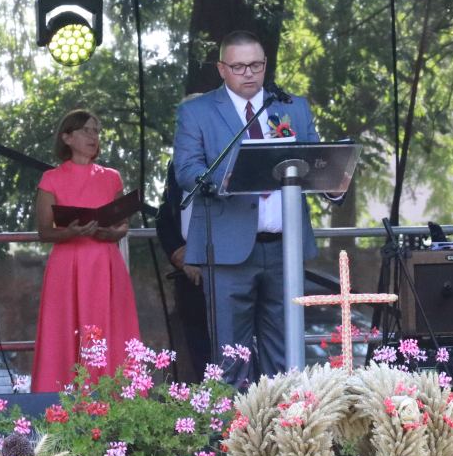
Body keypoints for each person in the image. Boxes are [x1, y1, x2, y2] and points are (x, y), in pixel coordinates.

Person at [172, 30, 322, 383]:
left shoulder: (291, 107)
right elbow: (187, 169)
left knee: (286, 353)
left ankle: (288, 432)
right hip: (227, 251)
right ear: (222, 69)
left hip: (286, 247)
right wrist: (226, 180)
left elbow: (317, 159)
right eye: (238, 67)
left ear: (265, 65)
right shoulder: (197, 112)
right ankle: (234, 434)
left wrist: (333, 185)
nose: (248, 73)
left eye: (255, 65)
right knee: (231, 355)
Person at [30, 109, 141, 392]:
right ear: (67, 137)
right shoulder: (51, 178)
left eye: (96, 131)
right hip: (68, 263)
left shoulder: (112, 177)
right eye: (86, 130)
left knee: (110, 327)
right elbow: (44, 231)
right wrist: (70, 232)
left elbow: (122, 225)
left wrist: (109, 232)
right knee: (65, 329)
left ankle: (115, 396)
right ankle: (61, 398)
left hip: (105, 261)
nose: (94, 136)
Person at [155, 158, 211, 380]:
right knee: (196, 348)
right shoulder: (177, 162)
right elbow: (164, 215)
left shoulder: (226, 149)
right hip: (188, 276)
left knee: (232, 349)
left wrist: (199, 253)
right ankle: (208, 408)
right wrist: (178, 252)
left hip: (227, 269)